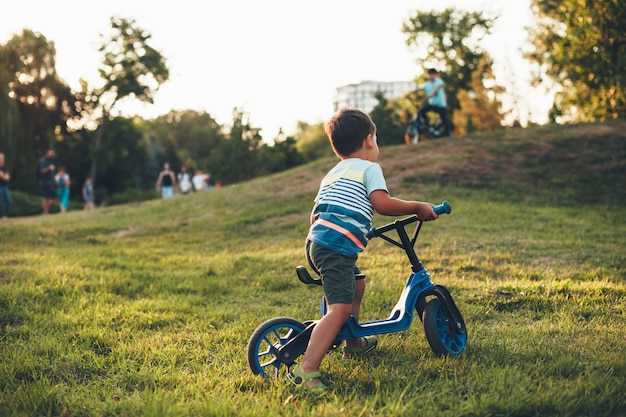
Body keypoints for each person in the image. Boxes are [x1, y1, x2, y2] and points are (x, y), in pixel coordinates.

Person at [293, 108, 439, 391]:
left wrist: (356, 224)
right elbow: (382, 204)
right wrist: (418, 207)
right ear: (370, 139)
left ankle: (353, 344)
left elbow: (316, 213)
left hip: (319, 242)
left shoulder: (333, 173)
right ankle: (306, 368)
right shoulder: (370, 168)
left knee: (357, 285)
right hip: (335, 247)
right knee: (339, 308)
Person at [410, 68, 451, 137]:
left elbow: (436, 89)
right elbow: (418, 89)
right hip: (432, 104)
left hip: (440, 105)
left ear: (435, 75)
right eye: (429, 75)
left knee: (444, 119)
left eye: (432, 74)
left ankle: (448, 134)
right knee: (421, 111)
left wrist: (431, 94)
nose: (431, 76)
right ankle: (427, 126)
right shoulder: (427, 84)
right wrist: (408, 94)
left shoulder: (439, 81)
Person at [37, 150, 56, 215]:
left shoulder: (49, 162)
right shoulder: (44, 162)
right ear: (46, 154)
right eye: (50, 154)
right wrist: (49, 168)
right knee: (46, 197)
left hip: (50, 182)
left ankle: (46, 211)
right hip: (45, 182)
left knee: (53, 196)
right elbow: (42, 171)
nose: (51, 156)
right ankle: (45, 212)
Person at [0, 152, 11, 218]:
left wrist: (3, 176)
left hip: (4, 187)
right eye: (1, 158)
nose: (2, 159)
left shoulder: (4, 168)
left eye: (3, 158)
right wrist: (4, 176)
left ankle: (5, 215)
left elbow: (8, 177)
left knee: (8, 200)